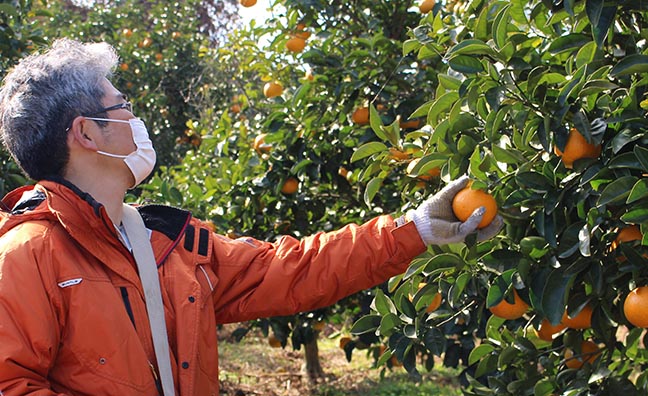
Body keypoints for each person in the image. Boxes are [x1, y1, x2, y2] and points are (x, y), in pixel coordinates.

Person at [0, 39, 502, 395]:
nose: (136, 118)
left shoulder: (162, 242)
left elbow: (290, 269)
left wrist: (412, 230)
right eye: (123, 105)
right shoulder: (27, 256)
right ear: (87, 133)